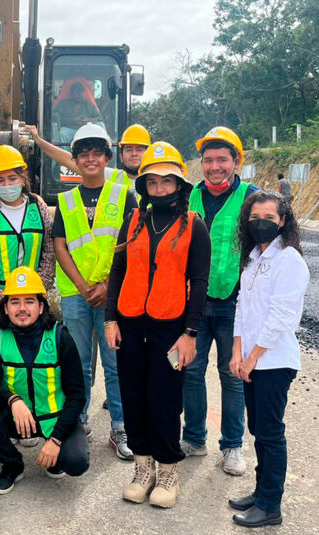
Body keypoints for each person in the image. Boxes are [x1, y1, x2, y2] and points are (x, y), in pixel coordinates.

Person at [105, 141, 211, 508]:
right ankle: (142, 467)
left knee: (164, 402)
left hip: (171, 330)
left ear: (180, 185)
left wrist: (190, 334)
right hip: (131, 325)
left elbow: (199, 282)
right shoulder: (133, 221)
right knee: (133, 398)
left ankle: (168, 471)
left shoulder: (194, 226)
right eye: (153, 182)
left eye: (168, 181)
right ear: (145, 186)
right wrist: (110, 318)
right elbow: (118, 270)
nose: (161, 188)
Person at [34, 123, 137, 460]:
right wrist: (82, 286)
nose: (90, 159)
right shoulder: (66, 199)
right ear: (74, 161)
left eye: (97, 153)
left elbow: (132, 243)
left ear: (108, 157)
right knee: (78, 362)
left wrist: (108, 286)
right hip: (77, 294)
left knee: (116, 361)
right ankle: (77, 420)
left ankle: (120, 426)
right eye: (83, 154)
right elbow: (60, 244)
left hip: (113, 294)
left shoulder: (124, 194)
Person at [181, 126, 260, 477]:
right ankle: (194, 438)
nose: (214, 167)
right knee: (191, 371)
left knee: (233, 375)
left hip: (234, 303)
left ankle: (232, 447)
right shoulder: (188, 196)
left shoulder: (252, 198)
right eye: (208, 160)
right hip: (193, 302)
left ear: (236, 161)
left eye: (222, 160)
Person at [228, 190, 309, 528]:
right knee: (257, 429)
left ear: (283, 221)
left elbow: (282, 317)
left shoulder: (289, 260)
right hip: (249, 359)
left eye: (269, 219)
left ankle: (270, 505)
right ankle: (260, 493)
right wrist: (237, 351)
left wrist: (254, 357)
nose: (261, 224)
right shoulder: (254, 257)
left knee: (270, 432)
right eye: (255, 218)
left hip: (273, 362)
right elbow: (242, 308)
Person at [0, 267, 89, 495]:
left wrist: (56, 440)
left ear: (41, 306)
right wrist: (13, 400)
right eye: (14, 302)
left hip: (54, 420)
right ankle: (12, 464)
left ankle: (54, 457)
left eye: (29, 301)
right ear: (6, 308)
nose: (22, 308)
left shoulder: (60, 337)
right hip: (17, 418)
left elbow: (77, 395)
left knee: (76, 463)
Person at [0, 144, 55, 332]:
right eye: (1, 180)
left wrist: (35, 292)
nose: (7, 185)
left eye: (12, 178)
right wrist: (2, 297)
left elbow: (49, 250)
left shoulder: (38, 207)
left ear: (23, 179)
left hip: (33, 303)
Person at [54, 78, 102, 143]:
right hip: (69, 129)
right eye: (77, 91)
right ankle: (65, 153)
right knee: (62, 134)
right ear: (71, 93)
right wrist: (73, 120)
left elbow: (99, 119)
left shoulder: (89, 104)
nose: (80, 94)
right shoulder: (63, 104)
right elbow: (55, 118)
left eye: (81, 91)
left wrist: (88, 120)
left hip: (86, 130)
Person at [110, 124, 151, 189]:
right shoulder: (109, 177)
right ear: (121, 156)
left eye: (139, 149)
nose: (134, 153)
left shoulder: (155, 182)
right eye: (129, 150)